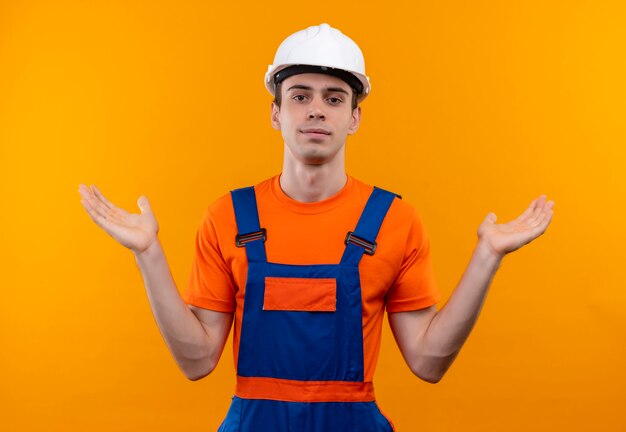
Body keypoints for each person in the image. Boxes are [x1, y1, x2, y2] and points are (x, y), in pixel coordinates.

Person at [78, 23, 554, 432]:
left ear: (354, 117)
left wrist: (487, 256)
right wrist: (148, 254)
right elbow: (197, 361)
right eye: (299, 96)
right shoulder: (228, 217)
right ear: (275, 112)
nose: (316, 110)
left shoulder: (394, 221)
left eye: (334, 97)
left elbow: (429, 363)